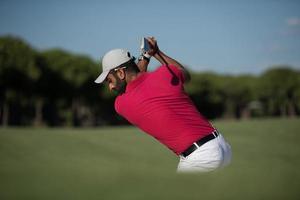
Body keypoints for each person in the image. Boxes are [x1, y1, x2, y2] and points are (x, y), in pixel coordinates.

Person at [94, 37, 231, 172]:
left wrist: (145, 57)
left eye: (109, 80)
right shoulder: (165, 74)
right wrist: (156, 53)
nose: (110, 87)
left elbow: (138, 78)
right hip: (221, 146)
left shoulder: (121, 104)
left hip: (201, 158)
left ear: (121, 73)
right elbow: (184, 74)